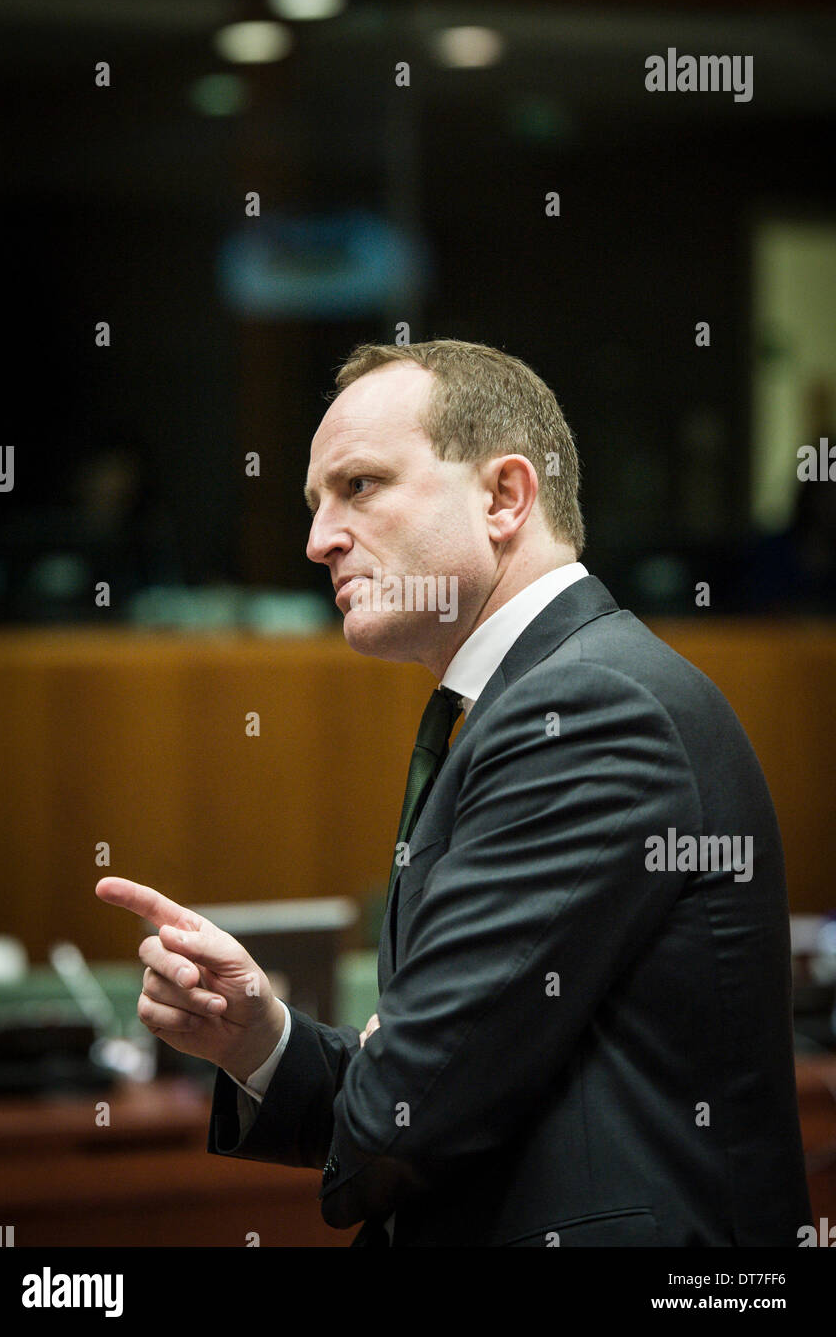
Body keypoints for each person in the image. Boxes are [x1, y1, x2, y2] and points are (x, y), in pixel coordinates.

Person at [97, 339, 811, 1247]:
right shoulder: (535, 695)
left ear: (505, 497)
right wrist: (261, 1042)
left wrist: (387, 1070)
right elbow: (448, 1079)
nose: (318, 541)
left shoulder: (585, 706)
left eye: (359, 487)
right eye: (315, 504)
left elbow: (409, 1111)